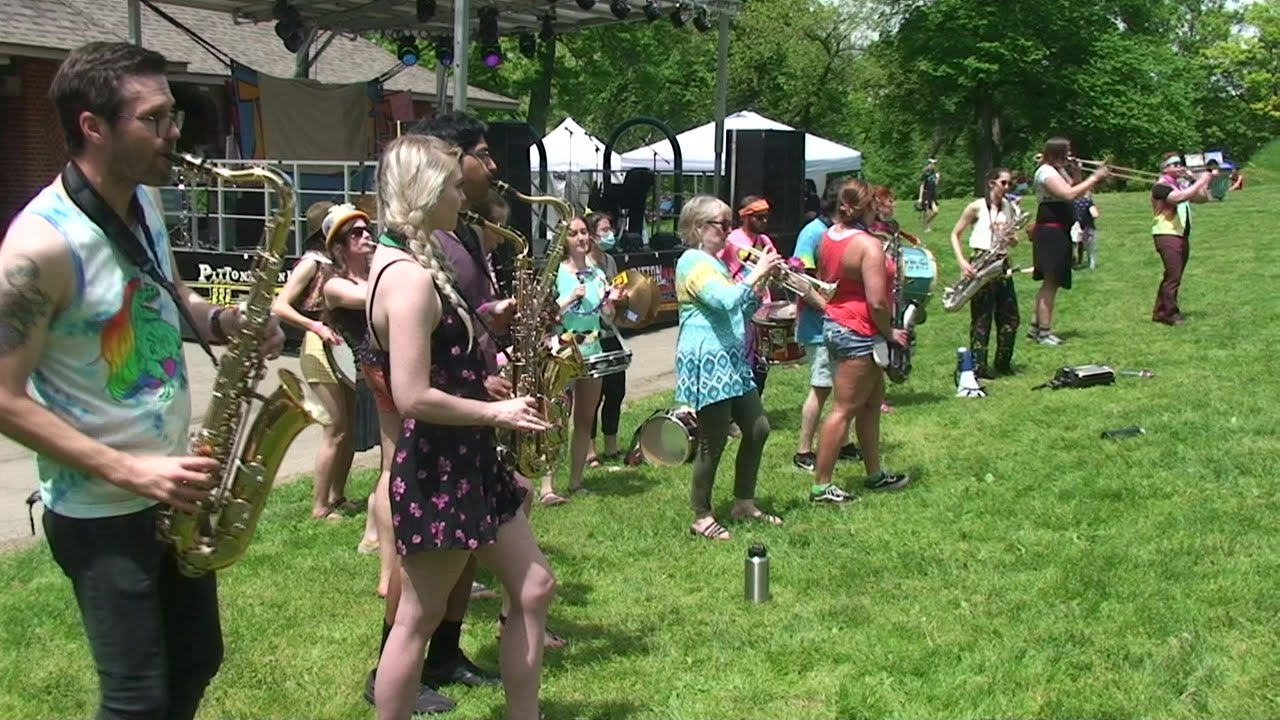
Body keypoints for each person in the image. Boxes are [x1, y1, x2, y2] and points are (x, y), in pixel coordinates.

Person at [0, 41, 284, 720]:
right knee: (135, 700)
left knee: (195, 661)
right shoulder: (40, 246)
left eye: (172, 118)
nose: (174, 133)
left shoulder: (142, 204)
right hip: (102, 509)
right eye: (154, 119)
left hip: (171, 490)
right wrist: (132, 472)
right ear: (94, 126)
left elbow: (169, 296)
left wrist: (223, 321)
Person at [367, 134, 556, 720]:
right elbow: (412, 395)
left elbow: (436, 370)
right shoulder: (408, 277)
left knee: (533, 586)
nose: (461, 193)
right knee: (417, 619)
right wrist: (494, 410)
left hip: (466, 458)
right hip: (439, 465)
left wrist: (481, 381)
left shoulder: (415, 261)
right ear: (425, 194)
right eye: (451, 184)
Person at [674, 195, 785, 541]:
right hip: (708, 359)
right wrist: (758, 273)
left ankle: (743, 502)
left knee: (758, 428)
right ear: (698, 227)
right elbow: (725, 300)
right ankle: (701, 514)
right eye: (721, 224)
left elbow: (742, 305)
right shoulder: (693, 263)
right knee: (713, 438)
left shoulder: (714, 262)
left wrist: (762, 282)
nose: (727, 231)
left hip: (731, 358)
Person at [812, 180, 911, 495]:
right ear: (866, 208)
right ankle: (822, 485)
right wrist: (889, 333)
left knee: (871, 403)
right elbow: (878, 302)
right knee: (844, 408)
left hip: (836, 324)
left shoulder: (829, 236)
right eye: (874, 206)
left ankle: (875, 473)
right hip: (859, 330)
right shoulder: (867, 246)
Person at [272, 203, 366, 520]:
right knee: (335, 428)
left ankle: (338, 497)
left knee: (349, 427)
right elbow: (280, 306)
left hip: (342, 345)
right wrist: (316, 326)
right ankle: (319, 506)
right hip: (318, 345)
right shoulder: (312, 263)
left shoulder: (341, 265)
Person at [790, 179, 861, 493]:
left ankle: (843, 444)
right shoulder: (813, 233)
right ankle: (804, 450)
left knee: (842, 389)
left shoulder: (836, 233)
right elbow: (799, 280)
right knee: (820, 388)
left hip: (836, 322)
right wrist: (828, 308)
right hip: (818, 325)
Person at [540, 216, 615, 504]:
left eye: (584, 232)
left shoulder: (597, 273)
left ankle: (575, 481)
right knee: (555, 418)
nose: (582, 238)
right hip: (562, 352)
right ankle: (547, 487)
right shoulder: (556, 274)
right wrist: (568, 297)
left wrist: (611, 301)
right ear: (563, 240)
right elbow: (544, 315)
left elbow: (605, 316)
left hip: (592, 351)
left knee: (585, 418)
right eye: (574, 234)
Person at [1027, 138, 1109, 345]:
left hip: (1059, 229)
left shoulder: (1056, 170)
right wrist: (1095, 177)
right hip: (1050, 230)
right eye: (1067, 152)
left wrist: (1078, 172)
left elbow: (1074, 187)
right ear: (1057, 153)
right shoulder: (1046, 172)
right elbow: (1068, 194)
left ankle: (1035, 327)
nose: (1070, 155)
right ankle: (1044, 332)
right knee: (1051, 281)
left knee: (1052, 282)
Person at [948, 167, 1021, 378]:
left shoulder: (1009, 207)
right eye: (1003, 183)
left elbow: (1014, 240)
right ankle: (979, 366)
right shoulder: (976, 207)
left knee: (1011, 317)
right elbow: (955, 234)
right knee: (982, 317)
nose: (1007, 188)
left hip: (1002, 262)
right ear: (991, 183)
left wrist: (1011, 239)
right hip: (981, 262)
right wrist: (962, 262)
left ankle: (1003, 364)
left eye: (1009, 183)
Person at [719, 195, 777, 397]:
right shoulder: (732, 241)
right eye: (759, 217)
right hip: (740, 307)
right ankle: (736, 412)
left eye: (766, 217)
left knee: (762, 360)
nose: (764, 221)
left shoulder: (764, 240)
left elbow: (775, 269)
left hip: (762, 307)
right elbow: (718, 269)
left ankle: (754, 404)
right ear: (745, 217)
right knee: (743, 358)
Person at [583, 212, 629, 466]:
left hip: (612, 333)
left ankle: (611, 445)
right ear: (591, 235)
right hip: (591, 336)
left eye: (610, 228)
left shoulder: (610, 260)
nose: (609, 234)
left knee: (616, 390)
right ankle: (589, 451)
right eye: (604, 230)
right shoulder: (583, 266)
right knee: (592, 394)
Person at [1151, 153, 1215, 326]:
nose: (1180, 167)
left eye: (1181, 164)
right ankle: (1171, 314)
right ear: (1165, 168)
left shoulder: (1179, 185)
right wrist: (1201, 180)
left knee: (1172, 275)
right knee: (1174, 275)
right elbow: (1178, 198)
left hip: (1180, 234)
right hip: (1166, 233)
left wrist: (1196, 181)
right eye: (1175, 164)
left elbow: (1202, 199)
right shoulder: (1161, 186)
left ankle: (1160, 311)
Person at [917, 159, 941, 232]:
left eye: (934, 164)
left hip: (932, 195)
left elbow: (936, 185)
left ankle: (926, 223)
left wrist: (938, 178)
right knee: (926, 211)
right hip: (926, 193)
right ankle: (926, 227)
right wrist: (920, 198)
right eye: (932, 164)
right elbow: (922, 185)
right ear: (929, 165)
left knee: (935, 211)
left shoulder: (936, 174)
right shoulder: (925, 174)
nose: (933, 165)